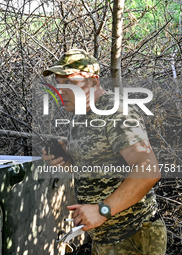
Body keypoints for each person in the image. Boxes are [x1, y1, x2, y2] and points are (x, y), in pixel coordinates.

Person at [41, 49, 167, 254]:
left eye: (70, 83)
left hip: (133, 236)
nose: (61, 90)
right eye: (59, 83)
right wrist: (68, 158)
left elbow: (149, 169)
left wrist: (102, 210)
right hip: (105, 236)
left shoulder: (117, 112)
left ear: (93, 82)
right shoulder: (80, 113)